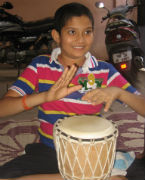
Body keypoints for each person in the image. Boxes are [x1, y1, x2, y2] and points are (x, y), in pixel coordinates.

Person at [0, 2, 145, 180]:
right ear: (56, 35)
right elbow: (3, 108)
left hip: (93, 151)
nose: (81, 39)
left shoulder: (104, 70)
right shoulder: (40, 66)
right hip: (50, 150)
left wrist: (119, 92)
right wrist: (44, 96)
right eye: (72, 32)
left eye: (87, 32)